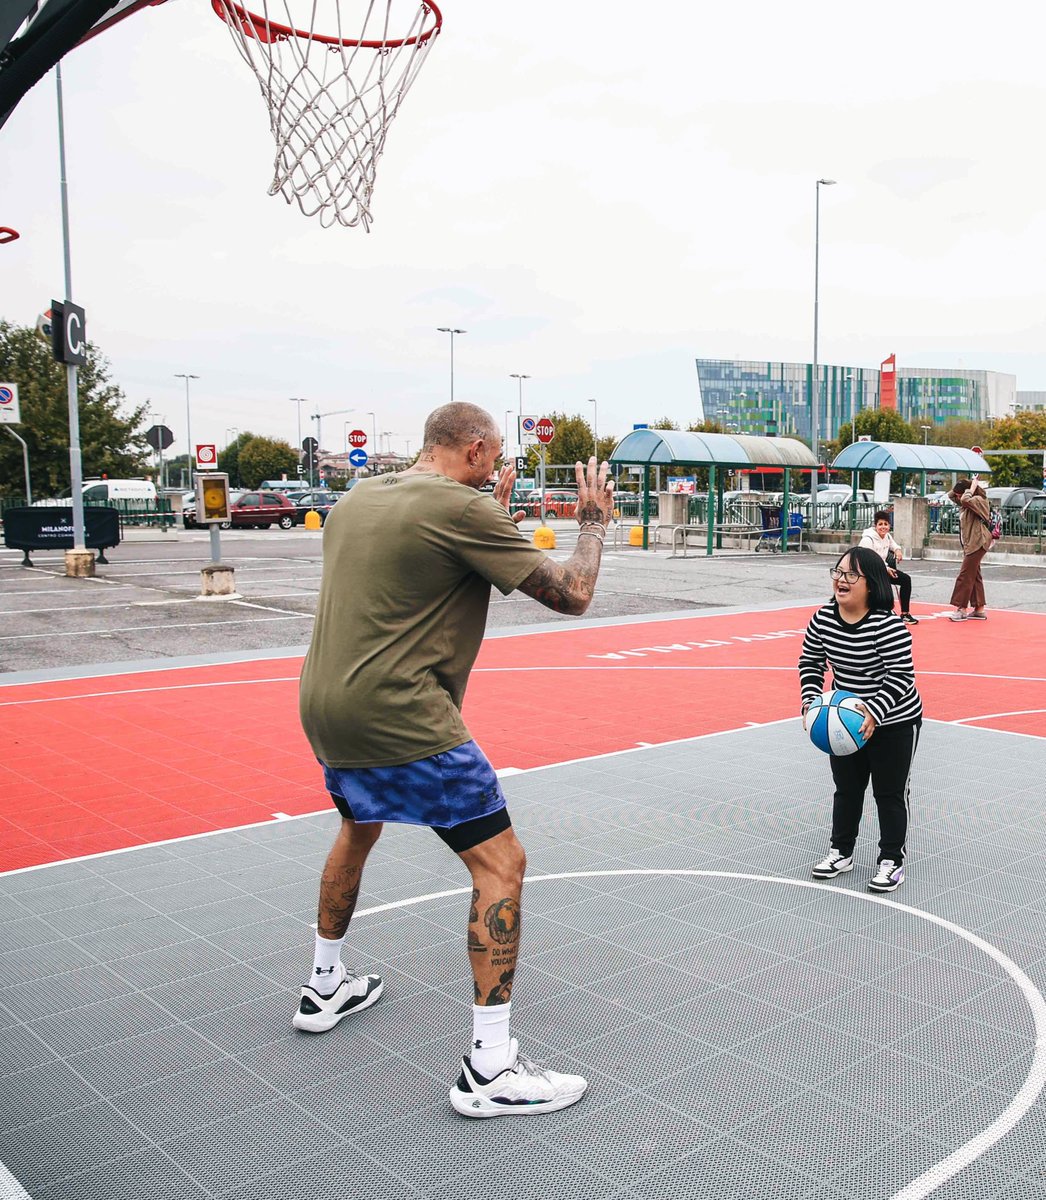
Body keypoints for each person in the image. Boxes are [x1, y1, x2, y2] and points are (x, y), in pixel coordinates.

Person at [295, 401, 615, 1119]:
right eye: (495, 457)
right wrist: (592, 522)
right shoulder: (460, 510)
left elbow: (415, 579)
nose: (498, 468)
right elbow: (574, 594)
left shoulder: (357, 501)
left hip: (326, 708)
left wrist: (484, 515)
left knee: (358, 828)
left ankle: (324, 985)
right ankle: (491, 1069)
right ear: (473, 450)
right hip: (401, 716)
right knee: (501, 863)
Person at [799, 545, 922, 893]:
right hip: (846, 720)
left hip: (895, 718)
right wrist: (811, 700)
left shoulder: (888, 626)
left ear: (872, 584)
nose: (842, 580)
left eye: (851, 574)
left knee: (890, 792)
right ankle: (842, 851)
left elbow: (901, 676)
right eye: (838, 572)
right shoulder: (823, 618)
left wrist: (875, 711)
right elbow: (810, 663)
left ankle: (891, 860)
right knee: (848, 788)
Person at [859, 510, 918, 625]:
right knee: (883, 587)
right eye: (880, 524)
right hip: (869, 573)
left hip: (883, 570)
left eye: (886, 524)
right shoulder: (867, 539)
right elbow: (870, 560)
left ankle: (905, 614)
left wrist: (898, 551)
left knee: (906, 579)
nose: (883, 527)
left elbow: (894, 545)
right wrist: (886, 568)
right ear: (875, 525)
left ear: (889, 526)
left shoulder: (887, 537)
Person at [947, 476, 992, 621]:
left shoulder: (978, 500)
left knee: (965, 575)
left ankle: (961, 609)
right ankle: (979, 608)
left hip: (978, 542)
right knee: (974, 574)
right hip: (972, 543)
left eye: (961, 494)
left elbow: (965, 499)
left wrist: (971, 488)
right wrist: (963, 485)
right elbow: (951, 496)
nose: (959, 498)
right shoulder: (967, 501)